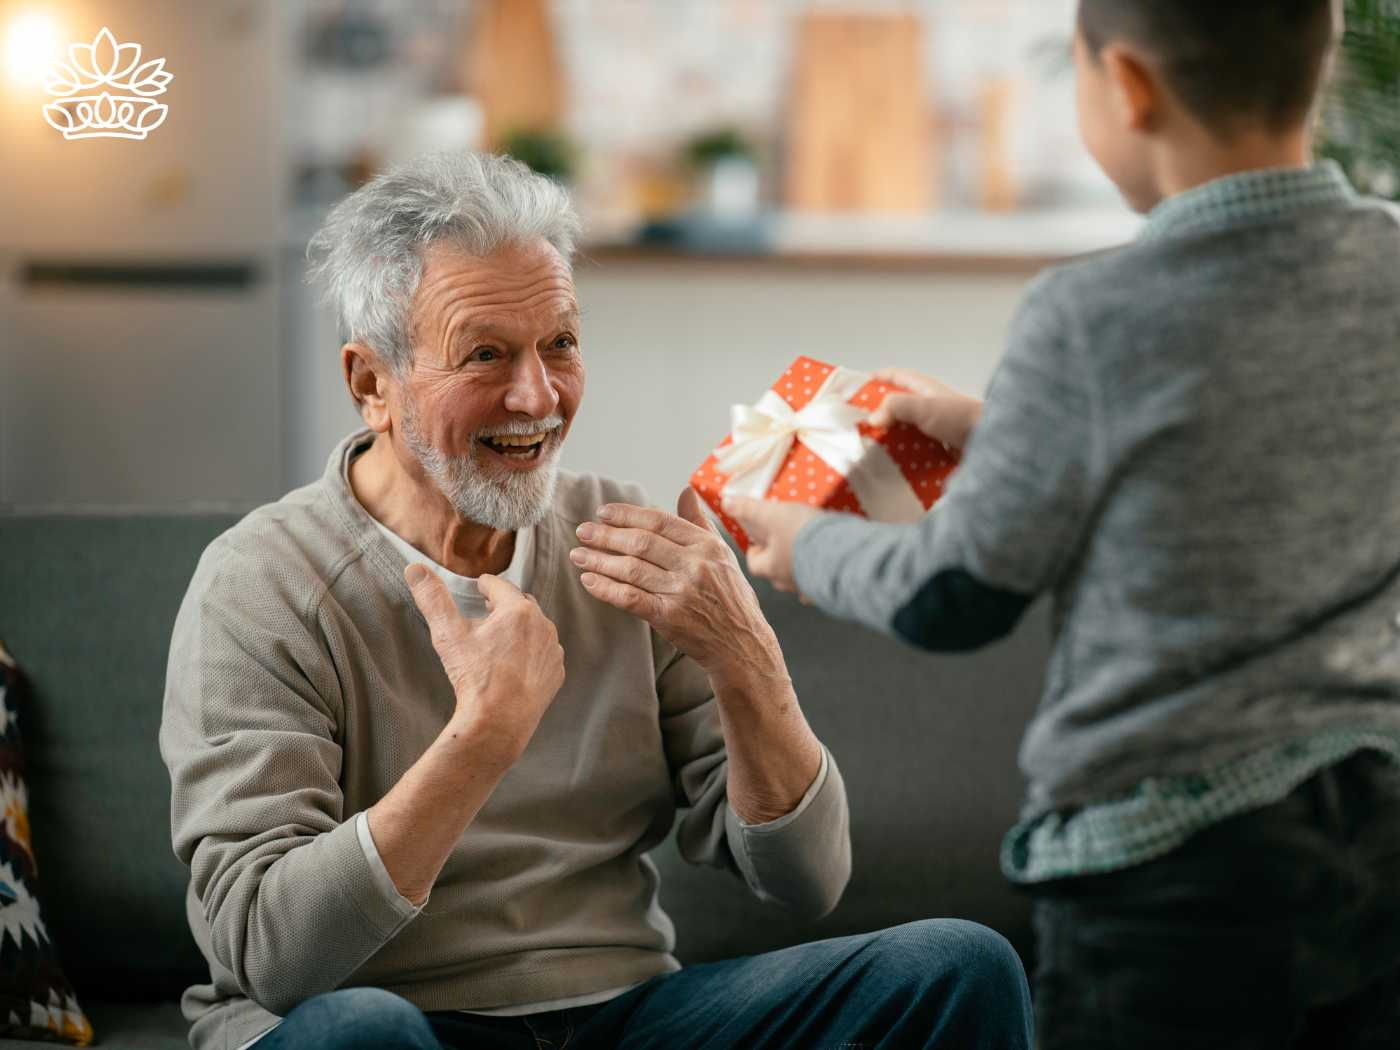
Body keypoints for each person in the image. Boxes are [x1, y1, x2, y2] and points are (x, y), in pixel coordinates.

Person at [158, 150, 1033, 1050]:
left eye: (561, 344)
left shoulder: (625, 539)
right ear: (371, 384)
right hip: (392, 1019)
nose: (537, 396)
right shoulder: (264, 583)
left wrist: (749, 658)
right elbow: (269, 955)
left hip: (620, 1017)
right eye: (485, 354)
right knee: (360, 1036)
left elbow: (808, 883)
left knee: (959, 965)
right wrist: (483, 738)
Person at [728, 1, 1400, 1046]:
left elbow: (954, 594)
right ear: (1317, 68)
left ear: (1124, 86)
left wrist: (801, 545)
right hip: (1372, 834)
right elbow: (1258, 456)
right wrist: (1009, 433)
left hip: (1167, 872)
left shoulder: (1088, 314)